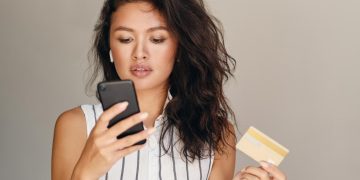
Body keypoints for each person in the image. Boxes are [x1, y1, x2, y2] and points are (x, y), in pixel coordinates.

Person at [51, 0, 287, 180]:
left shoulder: (217, 134)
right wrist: (86, 172)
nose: (139, 53)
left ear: (179, 48)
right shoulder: (76, 125)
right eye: (125, 39)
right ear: (110, 48)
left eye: (156, 39)